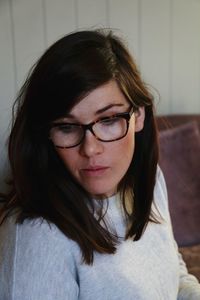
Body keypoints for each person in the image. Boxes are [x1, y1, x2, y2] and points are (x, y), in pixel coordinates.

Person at [0, 29, 199, 300]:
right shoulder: (37, 236)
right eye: (67, 127)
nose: (90, 149)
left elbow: (172, 270)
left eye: (108, 120)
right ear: (46, 133)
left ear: (138, 115)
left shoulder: (149, 180)